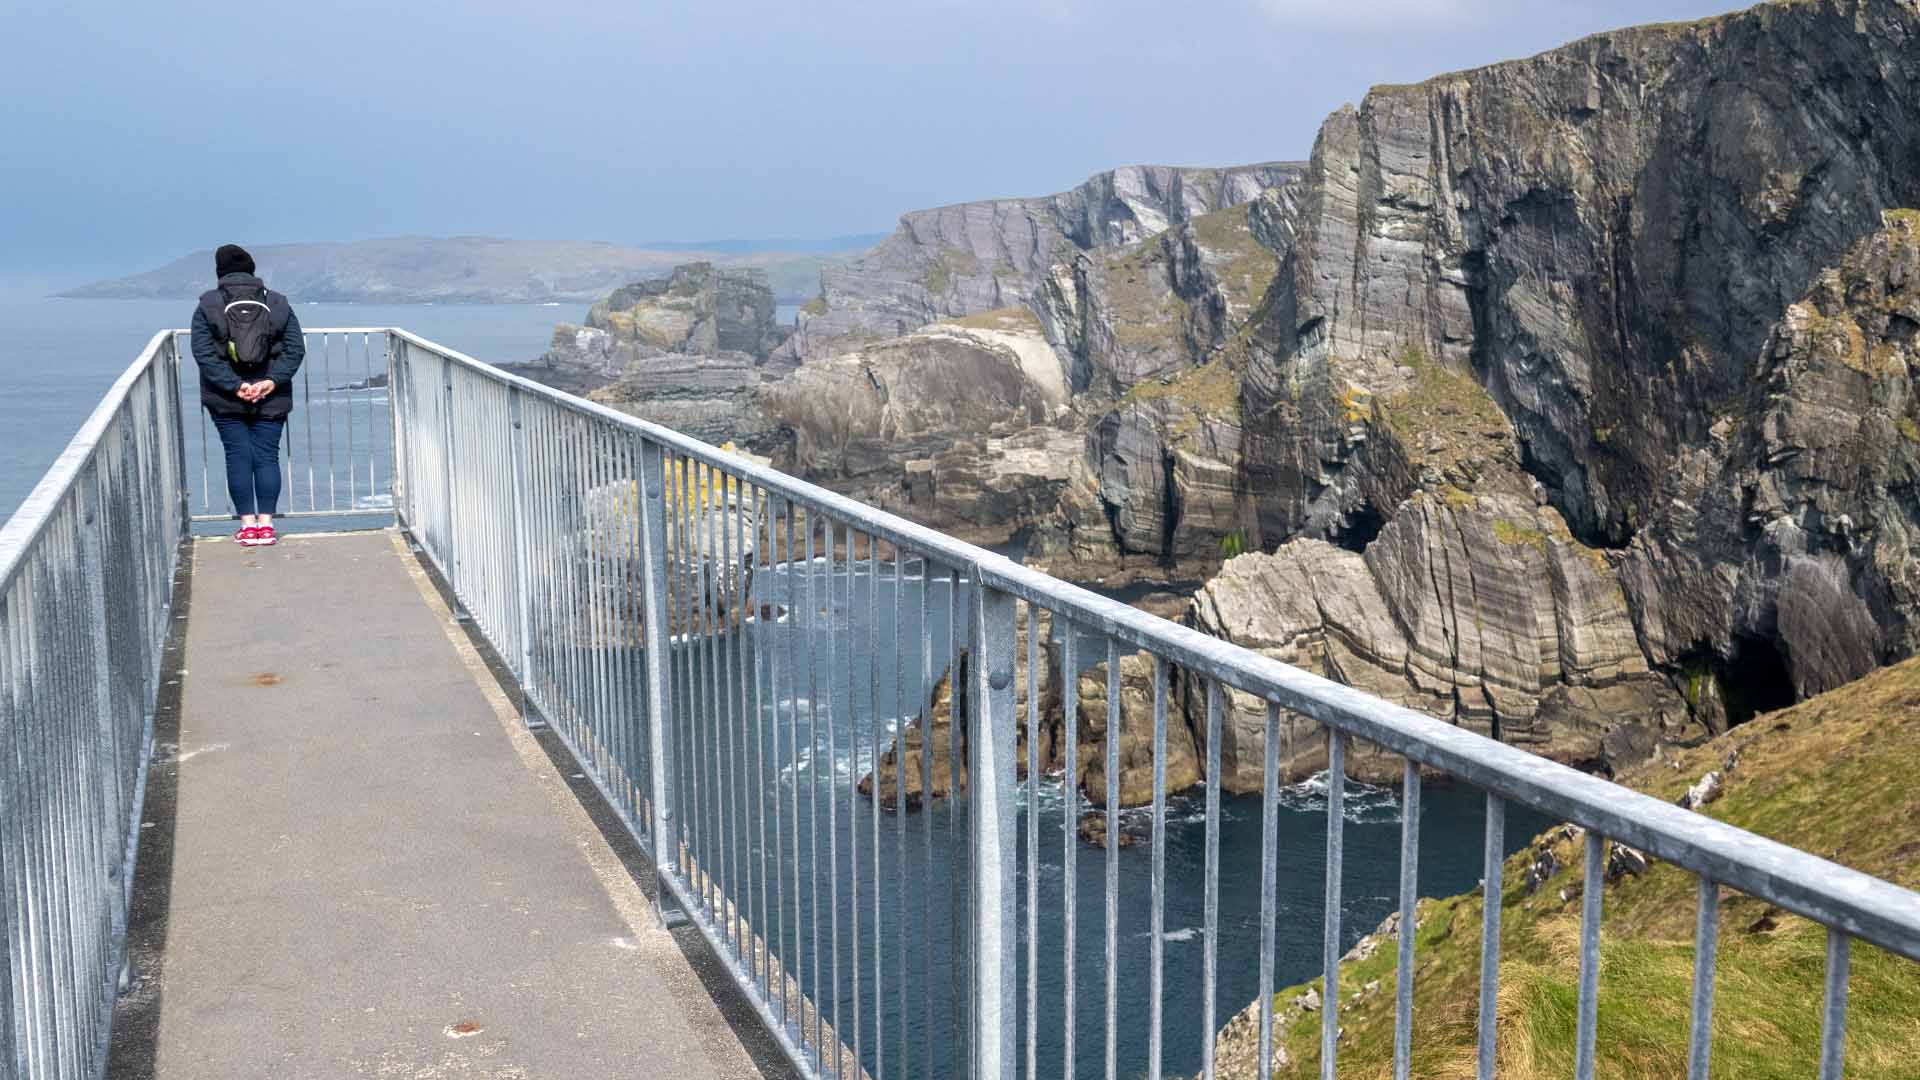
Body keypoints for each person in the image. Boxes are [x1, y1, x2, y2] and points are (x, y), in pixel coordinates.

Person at [190, 244, 304, 546]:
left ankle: (247, 526)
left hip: (226, 398)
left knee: (238, 456)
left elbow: (203, 353)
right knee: (267, 456)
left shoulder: (208, 305)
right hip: (272, 395)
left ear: (219, 272)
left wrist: (234, 385)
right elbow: (295, 350)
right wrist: (270, 381)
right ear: (253, 271)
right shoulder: (278, 303)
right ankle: (267, 526)